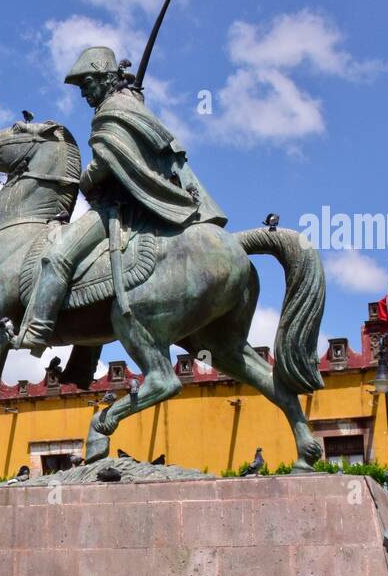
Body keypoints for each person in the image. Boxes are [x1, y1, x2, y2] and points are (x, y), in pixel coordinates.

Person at [13, 45, 227, 353]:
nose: (85, 94)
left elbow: (107, 162)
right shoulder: (129, 104)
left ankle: (37, 329)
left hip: (118, 209)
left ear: (104, 78)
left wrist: (82, 181)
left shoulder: (113, 109)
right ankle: (83, 360)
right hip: (140, 205)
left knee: (57, 256)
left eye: (87, 85)